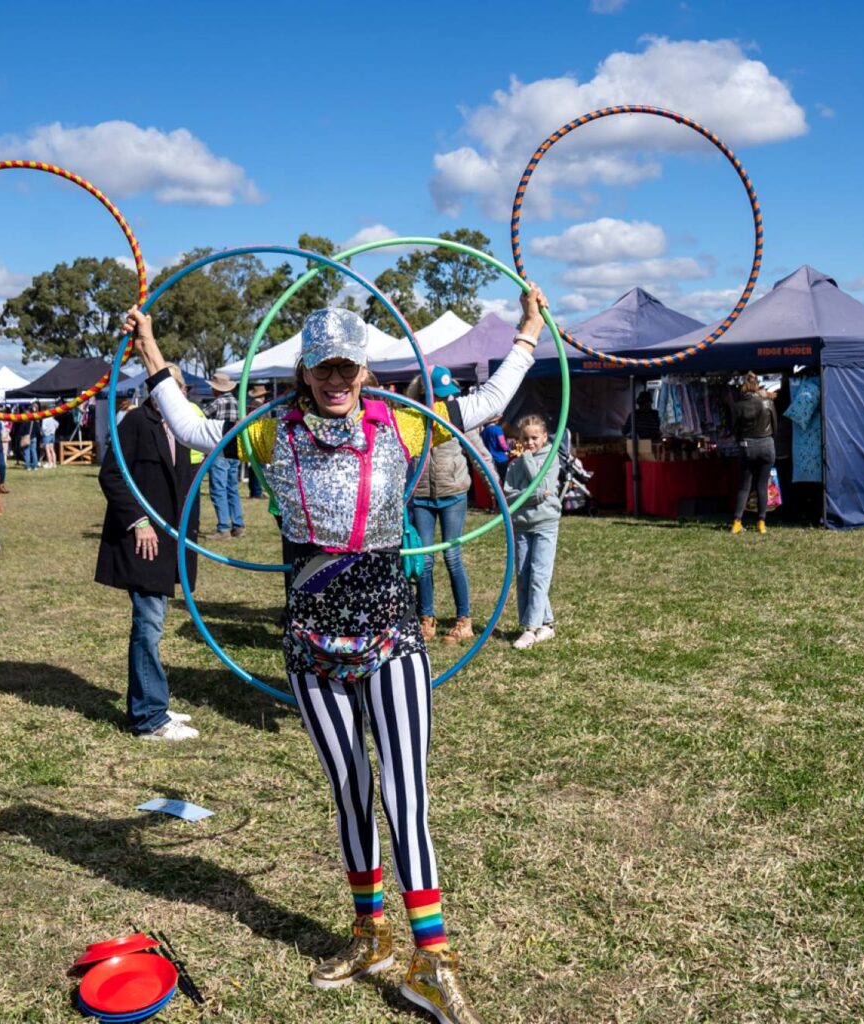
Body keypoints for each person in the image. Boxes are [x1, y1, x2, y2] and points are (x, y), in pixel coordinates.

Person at [125, 285, 548, 1024]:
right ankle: (369, 932)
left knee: (405, 795)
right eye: (322, 368)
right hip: (313, 646)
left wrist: (529, 335)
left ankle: (433, 961)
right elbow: (194, 428)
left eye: (346, 368)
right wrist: (154, 354)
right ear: (303, 372)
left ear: (365, 371)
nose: (334, 380)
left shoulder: (404, 424)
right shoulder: (269, 431)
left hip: (390, 638)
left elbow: (483, 406)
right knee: (351, 791)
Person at [95, 363, 202, 743]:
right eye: (170, 387)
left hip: (171, 540)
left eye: (182, 388)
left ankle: (153, 703)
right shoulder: (136, 423)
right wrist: (139, 521)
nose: (178, 394)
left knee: (153, 624)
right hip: (145, 541)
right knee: (148, 625)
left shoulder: (184, 426)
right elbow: (111, 475)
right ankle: (148, 718)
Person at [405, 366, 479, 646]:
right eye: (441, 397)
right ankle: (426, 618)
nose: (447, 402)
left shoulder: (456, 418)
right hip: (422, 496)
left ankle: (464, 619)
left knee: (452, 555)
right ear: (426, 394)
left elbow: (478, 451)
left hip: (453, 493)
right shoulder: (413, 418)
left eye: (450, 396)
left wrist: (499, 489)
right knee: (423, 559)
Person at [502, 414, 569, 650]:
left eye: (534, 438)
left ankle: (530, 629)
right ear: (519, 438)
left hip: (545, 524)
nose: (530, 443)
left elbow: (541, 486)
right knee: (524, 575)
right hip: (521, 524)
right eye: (525, 438)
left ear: (544, 436)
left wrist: (528, 461)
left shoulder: (551, 459)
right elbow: (509, 495)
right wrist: (535, 496)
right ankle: (547, 624)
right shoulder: (513, 464)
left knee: (539, 576)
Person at [731, 371, 778, 534]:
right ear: (757, 384)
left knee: (744, 486)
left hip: (747, 446)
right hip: (766, 445)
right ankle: (761, 523)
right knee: (762, 485)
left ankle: (737, 522)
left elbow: (734, 430)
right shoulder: (768, 403)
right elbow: (775, 427)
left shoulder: (737, 406)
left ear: (743, 386)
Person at [203, 372, 246, 538]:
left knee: (218, 489)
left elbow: (200, 417)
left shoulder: (217, 403)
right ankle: (238, 524)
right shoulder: (237, 403)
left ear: (216, 389)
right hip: (235, 450)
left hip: (219, 449)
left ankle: (223, 528)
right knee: (232, 488)